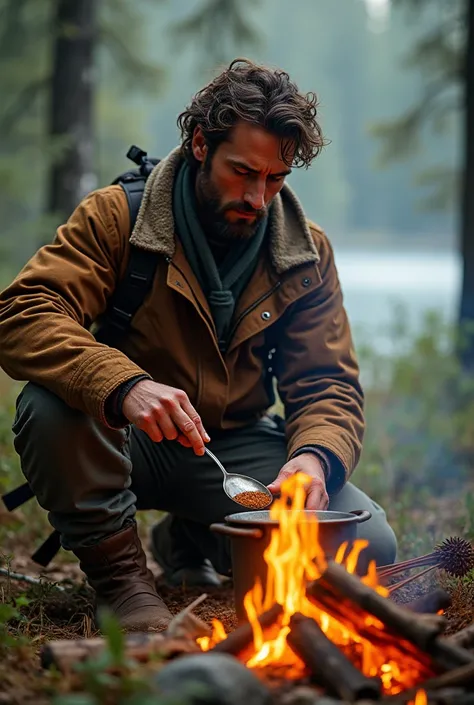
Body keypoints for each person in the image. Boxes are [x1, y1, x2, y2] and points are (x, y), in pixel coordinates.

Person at [0, 58, 396, 632]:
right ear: (200, 143)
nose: (259, 197)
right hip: (122, 439)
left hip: (229, 453)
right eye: (243, 172)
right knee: (48, 407)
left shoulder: (304, 252)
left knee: (367, 542)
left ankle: (195, 537)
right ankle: (124, 585)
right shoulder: (119, 217)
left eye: (276, 178)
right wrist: (124, 385)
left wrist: (312, 459)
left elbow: (326, 384)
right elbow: (23, 311)